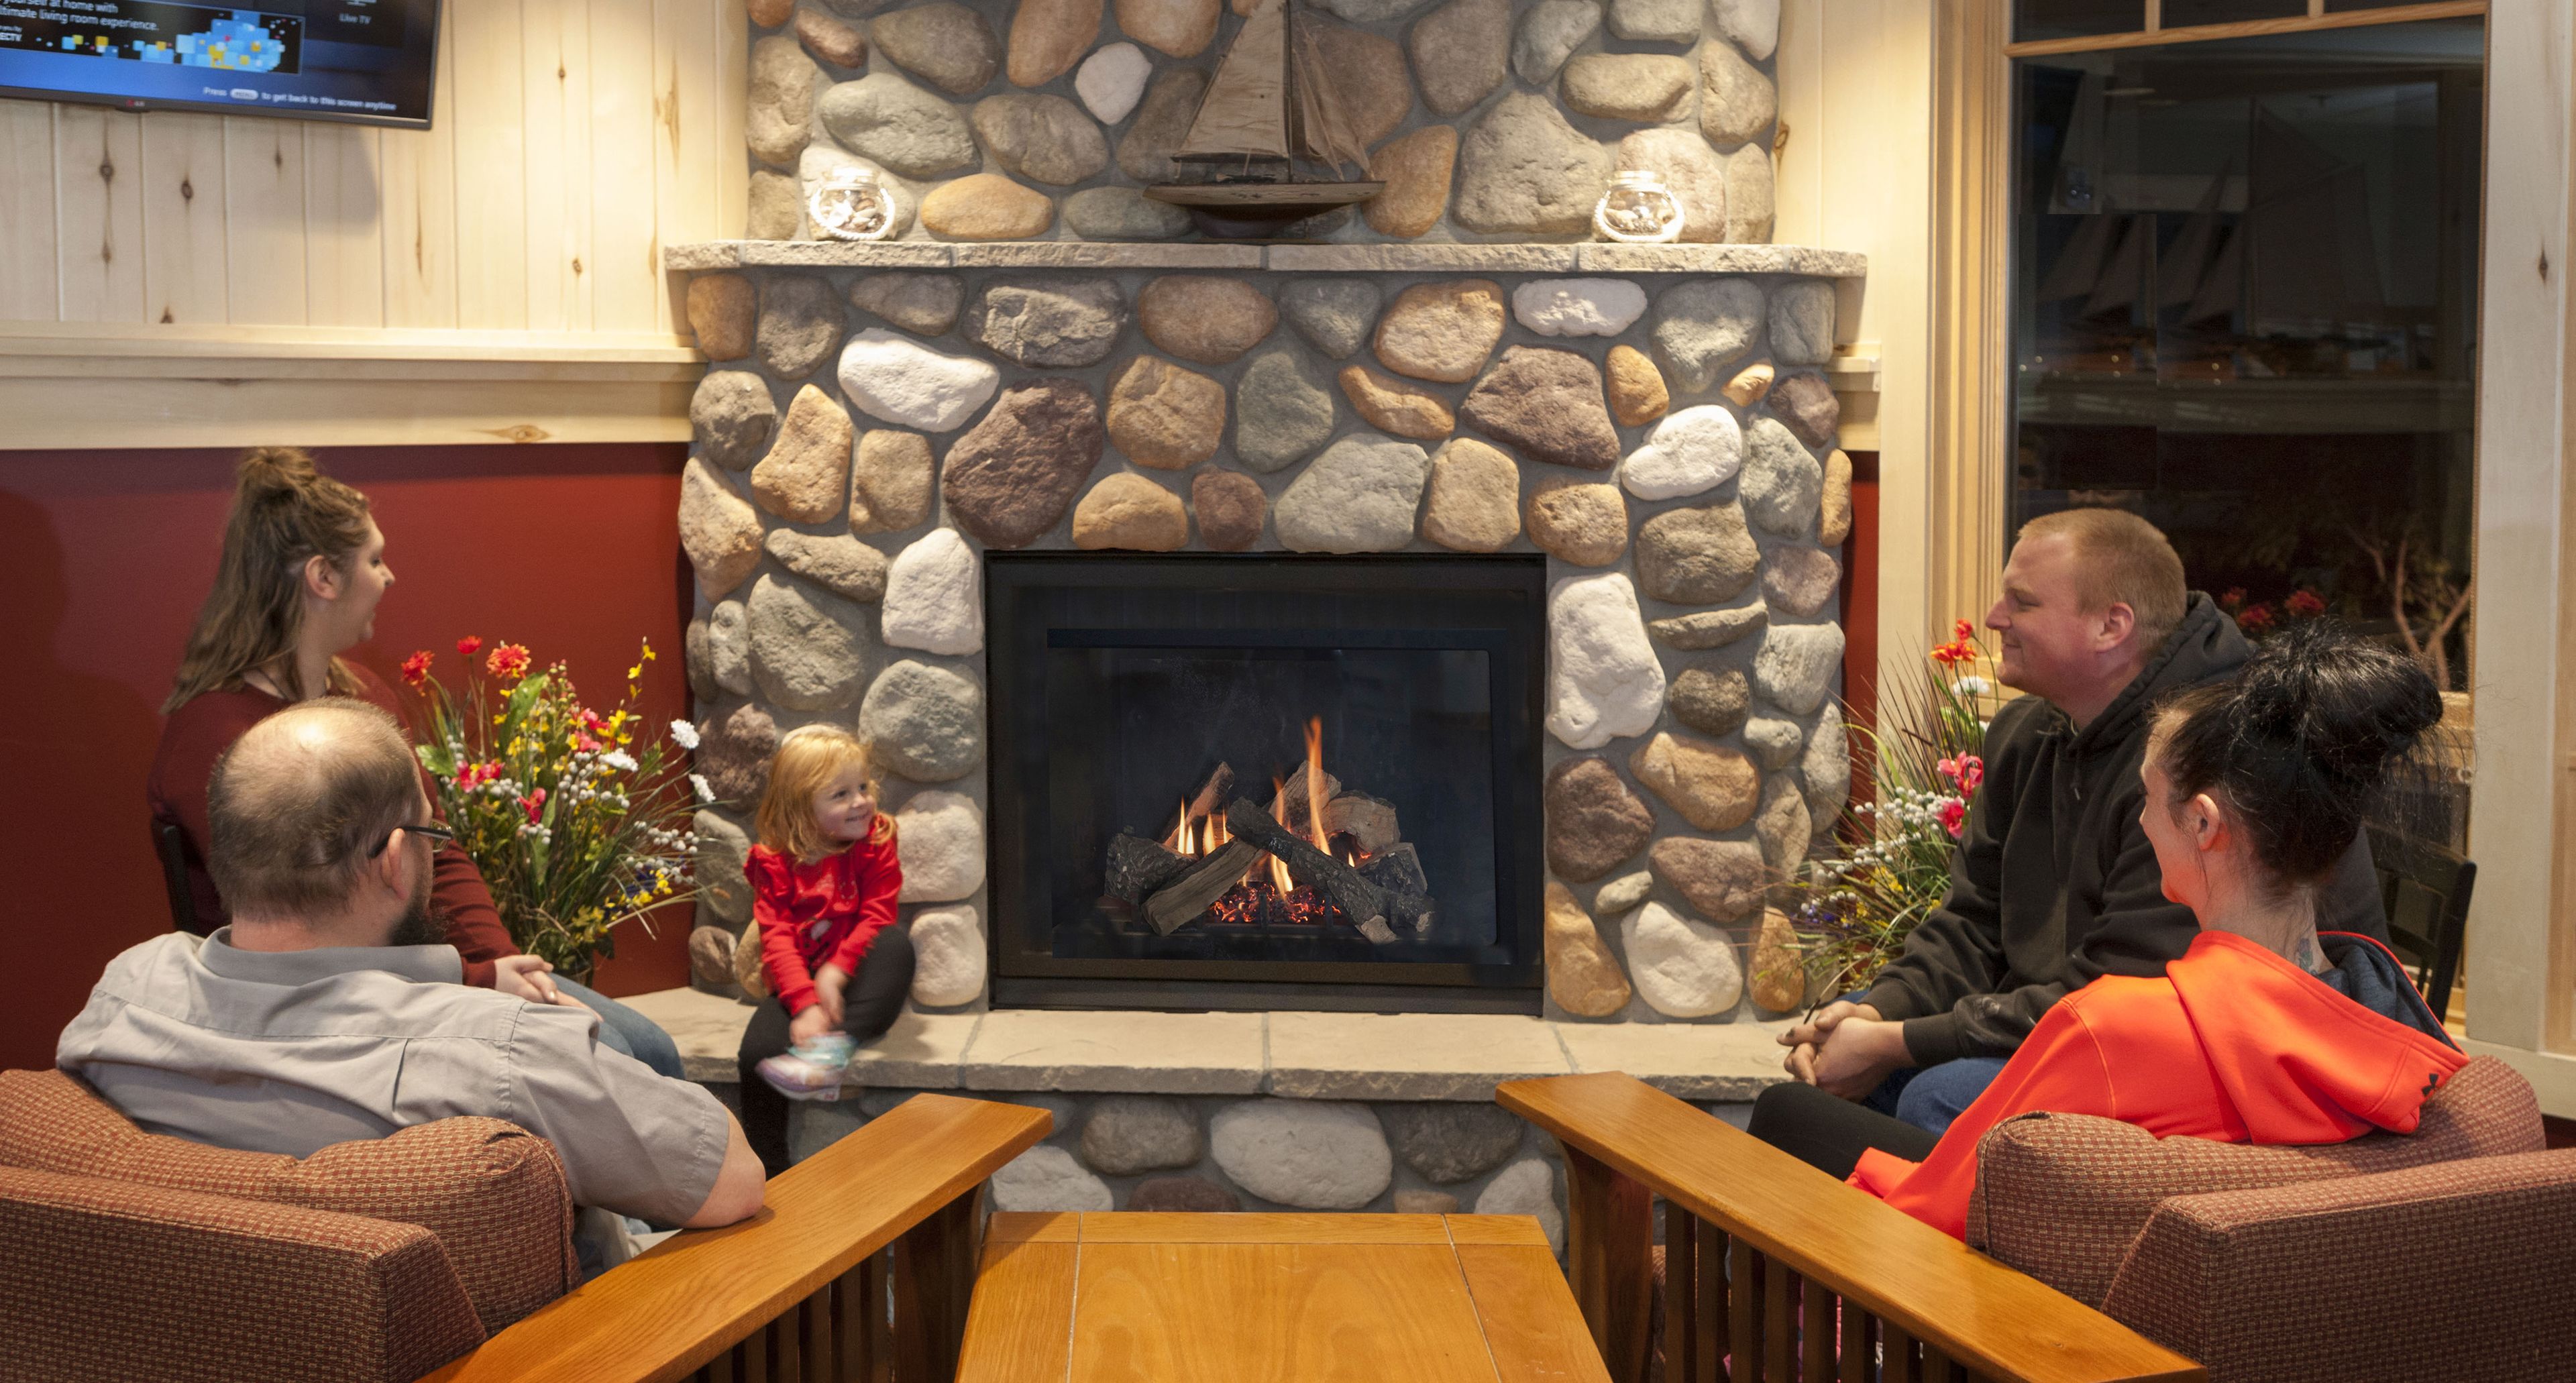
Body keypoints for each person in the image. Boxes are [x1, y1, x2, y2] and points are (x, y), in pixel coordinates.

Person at [1750, 626, 2464, 1239]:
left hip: (1994, 1313)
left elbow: (1936, 1205)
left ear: (2204, 824)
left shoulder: (2107, 1029)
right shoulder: (2399, 1029)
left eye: (2148, 798)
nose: (2142, 821)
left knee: (1789, 1115)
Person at [63, 700, 765, 1268]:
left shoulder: (125, 996)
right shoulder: (500, 1055)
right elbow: (731, 1179)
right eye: (433, 836)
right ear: (396, 862)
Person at [1780, 508, 2390, 1134]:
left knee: (1936, 1096)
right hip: (2084, 1019)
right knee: (1837, 1041)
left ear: (2110, 626)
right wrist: (1881, 1014)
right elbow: (1971, 920)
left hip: (2226, 1047)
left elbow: (2130, 990)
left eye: (2022, 602)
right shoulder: (2028, 734)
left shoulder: (2213, 758)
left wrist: (1900, 1043)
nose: (1994, 618)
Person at [147, 447, 684, 1079]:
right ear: (323, 578)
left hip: (420, 972)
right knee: (607, 1054)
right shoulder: (219, 734)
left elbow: (437, 849)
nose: (389, 577)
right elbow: (309, 927)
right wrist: (475, 979)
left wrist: (506, 965)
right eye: (374, 560)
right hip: (313, 1009)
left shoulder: (364, 697)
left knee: (650, 1047)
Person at [735, 726, 916, 1176]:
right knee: (755, 1054)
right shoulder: (774, 863)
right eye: (841, 794)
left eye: (863, 787)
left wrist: (835, 974)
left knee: (895, 945)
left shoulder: (875, 841)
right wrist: (804, 1005)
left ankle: (832, 1050)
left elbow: (877, 914)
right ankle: (769, 1170)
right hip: (799, 977)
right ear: (800, 809)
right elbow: (777, 937)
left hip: (860, 972)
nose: (861, 801)